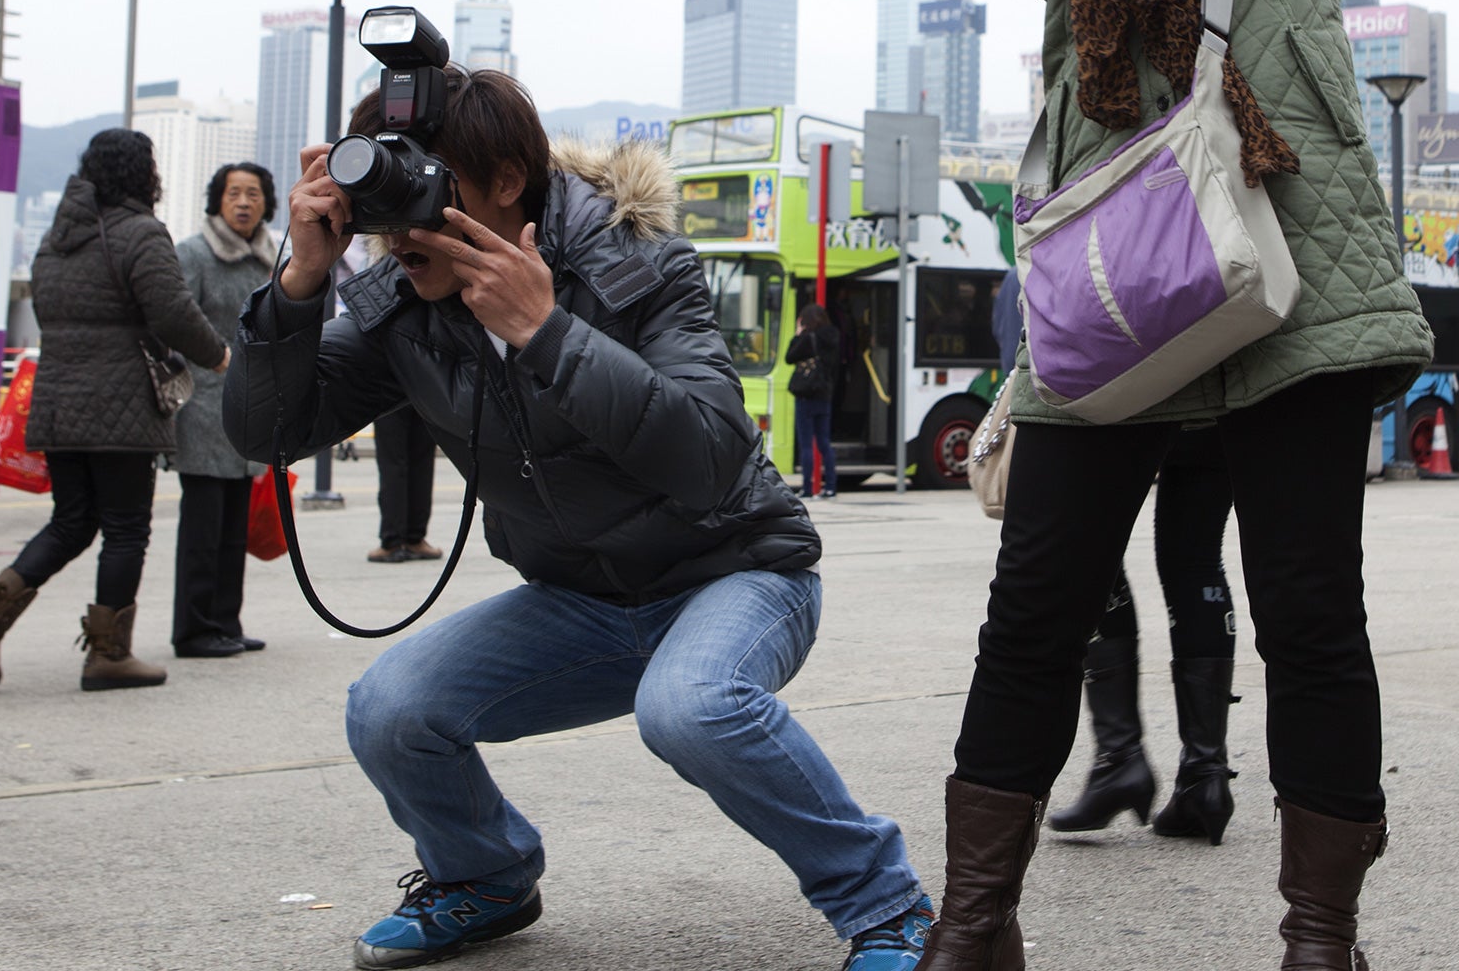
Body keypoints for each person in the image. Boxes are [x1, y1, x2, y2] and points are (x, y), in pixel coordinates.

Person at [917, 0, 1433, 971]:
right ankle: (975, 923)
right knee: (1036, 606)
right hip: (1118, 282)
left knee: (1309, 614)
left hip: (1288, 264)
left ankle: (1320, 936)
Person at [225, 67, 933, 971]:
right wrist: (299, 282)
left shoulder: (635, 263)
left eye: (426, 193)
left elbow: (711, 453)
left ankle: (889, 908)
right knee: (388, 708)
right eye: (386, 198)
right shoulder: (404, 304)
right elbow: (266, 431)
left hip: (737, 572)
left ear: (506, 182)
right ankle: (484, 876)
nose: (400, 231)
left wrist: (547, 332)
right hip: (582, 599)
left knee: (691, 707)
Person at [0, 129, 230, 692]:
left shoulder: (56, 238)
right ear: (143, 173)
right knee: (126, 530)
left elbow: (49, 310)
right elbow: (172, 311)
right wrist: (218, 356)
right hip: (120, 405)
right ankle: (108, 654)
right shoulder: (141, 232)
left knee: (73, 521)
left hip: (59, 399)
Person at [1046, 429, 1237, 844]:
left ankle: (1119, 758)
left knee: (1090, 548)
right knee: (1197, 561)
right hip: (1216, 404)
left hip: (1127, 404)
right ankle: (1205, 774)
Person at [169, 161, 281, 658]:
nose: (243, 203)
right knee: (202, 528)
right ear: (217, 200)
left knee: (235, 527)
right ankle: (193, 630)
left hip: (248, 406)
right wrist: (214, 359)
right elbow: (175, 322)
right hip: (202, 406)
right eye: (233, 193)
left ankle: (226, 623)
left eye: (253, 194)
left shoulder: (271, 255)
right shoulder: (193, 253)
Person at [369, 405, 441, 563]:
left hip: (389, 397)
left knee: (392, 464)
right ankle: (415, 538)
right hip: (424, 396)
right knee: (422, 463)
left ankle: (392, 541)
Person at [786, 303, 841, 498]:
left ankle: (807, 488)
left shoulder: (808, 339)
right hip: (824, 395)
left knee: (807, 444)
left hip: (806, 395)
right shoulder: (833, 337)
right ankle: (831, 487)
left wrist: (798, 335)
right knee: (825, 442)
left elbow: (789, 357)